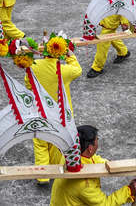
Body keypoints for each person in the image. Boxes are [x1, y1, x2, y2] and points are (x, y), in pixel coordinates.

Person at [25, 38, 81, 184]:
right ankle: (54, 170)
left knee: (40, 143)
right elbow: (78, 69)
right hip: (60, 115)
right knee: (57, 143)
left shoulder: (34, 65)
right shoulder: (65, 71)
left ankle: (42, 176)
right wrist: (70, 54)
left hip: (39, 112)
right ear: (61, 53)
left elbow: (28, 83)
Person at [50, 125, 136, 205]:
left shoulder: (71, 157)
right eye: (97, 140)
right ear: (90, 148)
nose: (97, 142)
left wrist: (107, 164)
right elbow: (105, 204)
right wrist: (129, 191)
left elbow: (94, 159)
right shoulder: (85, 184)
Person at [86, 0, 131, 78]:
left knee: (102, 42)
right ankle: (123, 52)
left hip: (113, 15)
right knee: (111, 35)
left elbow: (124, 4)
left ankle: (97, 67)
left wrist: (125, 22)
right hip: (107, 13)